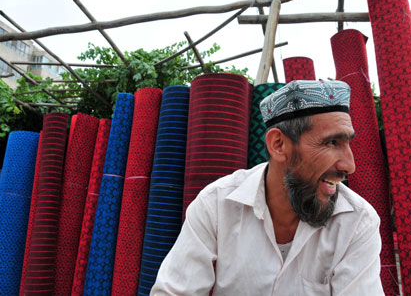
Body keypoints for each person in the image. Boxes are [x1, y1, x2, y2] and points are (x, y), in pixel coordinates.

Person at [150, 80, 384, 295]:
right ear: (278, 144)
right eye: (332, 142)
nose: (350, 166)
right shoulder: (217, 205)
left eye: (347, 143)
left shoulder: (357, 222)